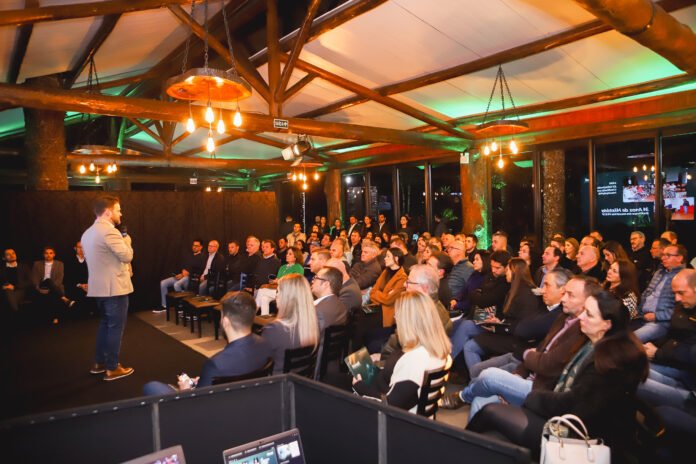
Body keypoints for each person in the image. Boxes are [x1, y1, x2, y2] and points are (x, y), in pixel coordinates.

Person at [468, 290, 649, 463]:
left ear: (606, 324)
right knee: (487, 418)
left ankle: (460, 450)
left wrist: (532, 397)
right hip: (567, 416)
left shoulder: (610, 361)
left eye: (589, 314)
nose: (581, 317)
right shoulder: (595, 345)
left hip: (580, 435)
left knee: (490, 411)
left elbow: (573, 406)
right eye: (584, 311)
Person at [441, 273, 593, 418]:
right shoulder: (563, 318)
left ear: (587, 302)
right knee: (479, 399)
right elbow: (536, 347)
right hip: (523, 363)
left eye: (570, 295)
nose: (564, 298)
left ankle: (461, 396)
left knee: (488, 375)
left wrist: (528, 354)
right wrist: (519, 373)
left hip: (539, 388)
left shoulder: (579, 330)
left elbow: (546, 361)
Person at [143, 291, 272, 395]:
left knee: (152, 387)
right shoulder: (266, 345)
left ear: (225, 322)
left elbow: (199, 403)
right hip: (249, 401)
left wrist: (185, 391)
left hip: (214, 413)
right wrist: (205, 380)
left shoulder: (216, 364)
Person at [352, 291, 451, 413]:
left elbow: (389, 406)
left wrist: (359, 387)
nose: (395, 317)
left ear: (408, 321)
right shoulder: (439, 351)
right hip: (415, 412)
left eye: (398, 314)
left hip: (396, 419)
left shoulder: (414, 360)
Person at [81, 196, 135, 381]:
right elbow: (127, 256)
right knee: (115, 328)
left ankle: (99, 363)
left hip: (99, 289)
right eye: (118, 210)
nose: (121, 214)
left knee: (105, 325)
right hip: (115, 289)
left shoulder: (87, 233)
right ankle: (112, 368)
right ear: (108, 212)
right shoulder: (110, 232)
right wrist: (127, 240)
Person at [463, 258, 545, 372]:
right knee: (467, 332)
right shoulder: (515, 289)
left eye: (507, 270)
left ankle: (477, 378)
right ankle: (477, 377)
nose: (505, 273)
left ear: (515, 272)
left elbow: (523, 325)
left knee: (470, 346)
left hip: (515, 340)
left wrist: (499, 325)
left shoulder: (526, 294)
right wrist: (498, 322)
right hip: (507, 332)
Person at [261, 274, 319, 374]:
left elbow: (259, 364)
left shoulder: (274, 329)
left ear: (287, 297)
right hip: (301, 381)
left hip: (276, 382)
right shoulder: (313, 326)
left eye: (278, 291)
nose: (276, 296)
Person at [633, 243, 687, 342]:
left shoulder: (683, 277)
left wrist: (657, 316)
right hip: (642, 316)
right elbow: (646, 293)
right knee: (618, 332)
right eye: (663, 255)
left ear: (679, 258)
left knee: (630, 340)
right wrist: (638, 309)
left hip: (660, 322)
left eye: (668, 255)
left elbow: (682, 310)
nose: (663, 258)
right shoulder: (659, 272)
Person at [156, 239, 204, 312]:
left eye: (196, 246)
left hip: (190, 278)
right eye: (193, 245)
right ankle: (164, 305)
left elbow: (200, 270)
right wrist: (179, 274)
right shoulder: (188, 255)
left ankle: (182, 305)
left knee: (176, 284)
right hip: (181, 276)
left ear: (201, 247)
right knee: (163, 283)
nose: (194, 247)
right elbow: (182, 266)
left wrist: (187, 274)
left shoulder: (202, 257)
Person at [255, 246, 304, 316]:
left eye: (290, 254)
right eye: (287, 253)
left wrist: (279, 281)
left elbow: (295, 282)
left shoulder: (298, 267)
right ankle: (264, 316)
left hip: (289, 291)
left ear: (295, 256)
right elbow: (278, 280)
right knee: (264, 298)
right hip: (278, 290)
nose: (287, 255)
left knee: (261, 291)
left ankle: (253, 312)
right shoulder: (282, 267)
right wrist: (274, 281)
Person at [31, 245, 74, 323]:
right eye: (46, 253)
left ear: (54, 254)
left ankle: (54, 317)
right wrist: (38, 288)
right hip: (42, 285)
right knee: (47, 280)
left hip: (55, 286)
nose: (48, 255)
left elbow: (59, 279)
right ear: (43, 255)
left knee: (51, 289)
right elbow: (34, 278)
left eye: (51, 253)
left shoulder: (60, 264)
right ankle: (64, 299)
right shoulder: (37, 264)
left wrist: (52, 288)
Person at [369, 248, 408, 328]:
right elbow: (372, 292)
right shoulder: (386, 271)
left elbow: (388, 300)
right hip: (378, 307)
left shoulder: (402, 278)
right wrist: (383, 295)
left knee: (364, 324)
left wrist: (378, 294)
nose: (385, 258)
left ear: (396, 258)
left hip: (388, 313)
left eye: (388, 256)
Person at [450, 250, 489, 317]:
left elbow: (472, 301)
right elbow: (464, 290)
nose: (474, 262)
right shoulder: (474, 274)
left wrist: (457, 305)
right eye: (474, 259)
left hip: (475, 313)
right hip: (463, 308)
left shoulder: (486, 278)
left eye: (477, 259)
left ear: (484, 261)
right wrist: (456, 299)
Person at [310, 266, 348, 331]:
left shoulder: (317, 311)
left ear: (326, 284)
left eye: (316, 278)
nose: (312, 281)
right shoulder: (341, 305)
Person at [1, 248, 31, 314]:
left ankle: (16, 312)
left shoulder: (24, 266)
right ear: (4, 258)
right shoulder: (2, 269)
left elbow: (30, 281)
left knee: (9, 295)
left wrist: (15, 287)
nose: (12, 255)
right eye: (8, 254)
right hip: (5, 292)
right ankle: (17, 313)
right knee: (8, 292)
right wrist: (2, 287)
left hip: (21, 290)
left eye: (13, 253)